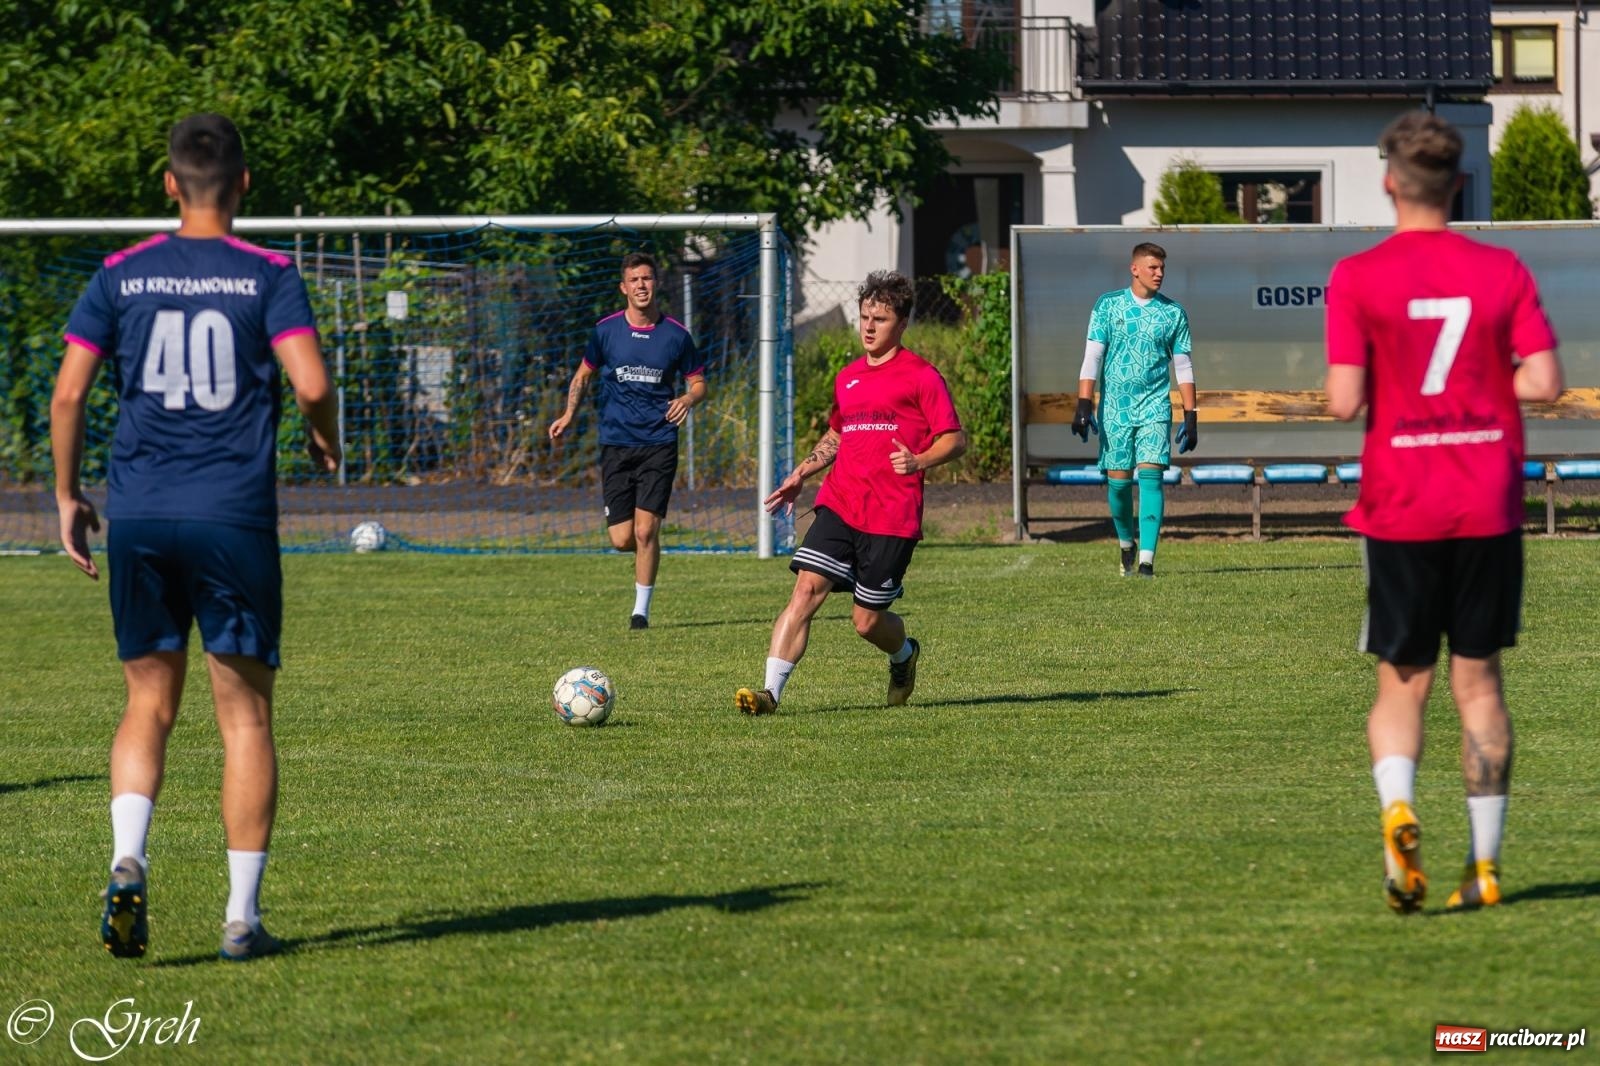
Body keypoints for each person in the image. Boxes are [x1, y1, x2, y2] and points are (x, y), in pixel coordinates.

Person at [52, 114, 341, 960]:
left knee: (148, 701)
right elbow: (313, 381)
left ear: (171, 185)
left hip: (139, 512)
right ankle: (241, 919)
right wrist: (323, 432)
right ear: (244, 184)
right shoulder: (268, 274)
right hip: (231, 516)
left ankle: (128, 856)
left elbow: (69, 397)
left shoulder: (120, 273)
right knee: (244, 720)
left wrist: (68, 495)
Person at [1323, 111, 1564, 914]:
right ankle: (1486, 867)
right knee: (1481, 683)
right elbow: (1545, 381)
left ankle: (1399, 811)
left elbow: (1342, 400)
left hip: (1401, 502)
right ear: (1458, 184)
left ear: (1390, 182)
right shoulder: (1502, 268)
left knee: (1402, 684)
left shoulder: (1357, 275)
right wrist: (1481, 384)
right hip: (1487, 497)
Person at [735, 271, 966, 715]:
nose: (868, 326)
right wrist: (802, 472)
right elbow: (839, 434)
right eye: (864, 316)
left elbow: (954, 440)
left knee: (866, 622)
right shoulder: (849, 378)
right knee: (805, 591)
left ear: (901, 323)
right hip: (840, 503)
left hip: (892, 516)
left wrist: (919, 461)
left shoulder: (922, 376)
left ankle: (904, 655)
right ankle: (769, 694)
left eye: (879, 318)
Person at [549, 252, 706, 629]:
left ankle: (641, 612)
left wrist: (686, 398)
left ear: (656, 284)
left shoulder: (676, 335)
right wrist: (569, 414)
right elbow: (582, 376)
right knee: (622, 539)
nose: (641, 285)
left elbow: (698, 383)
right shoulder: (605, 331)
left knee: (644, 530)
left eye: (647, 278)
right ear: (623, 287)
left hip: (659, 442)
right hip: (616, 444)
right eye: (634, 279)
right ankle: (648, 551)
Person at [1072, 242, 1198, 577]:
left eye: (1162, 268)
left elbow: (1184, 367)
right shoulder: (1108, 306)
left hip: (1155, 407)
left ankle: (1146, 560)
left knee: (1152, 478)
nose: (1160, 274)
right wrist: (1084, 402)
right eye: (1153, 267)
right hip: (1115, 408)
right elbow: (1092, 357)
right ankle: (1126, 543)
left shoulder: (1173, 313)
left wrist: (1191, 414)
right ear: (1135, 269)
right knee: (1119, 483)